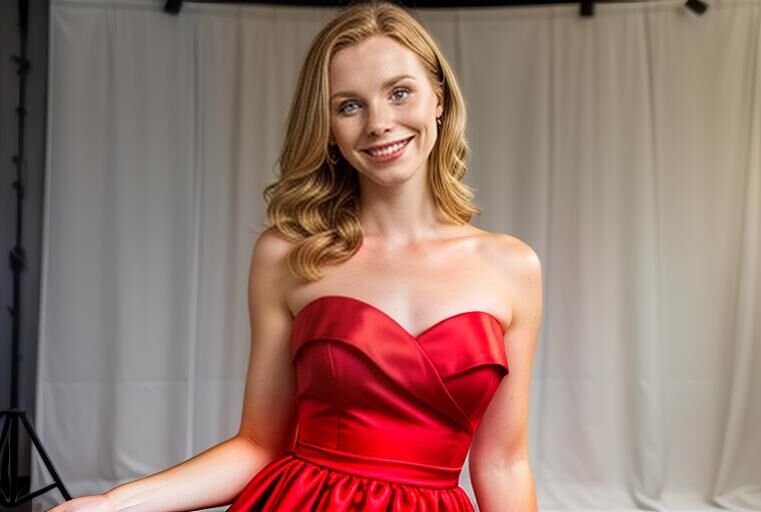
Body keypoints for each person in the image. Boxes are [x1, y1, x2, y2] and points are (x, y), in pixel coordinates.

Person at [48, 1, 541, 510]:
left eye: (399, 93)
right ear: (327, 127)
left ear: (438, 97)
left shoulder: (512, 268)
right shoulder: (287, 255)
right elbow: (258, 444)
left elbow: (503, 463)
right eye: (349, 105)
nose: (379, 122)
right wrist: (110, 504)